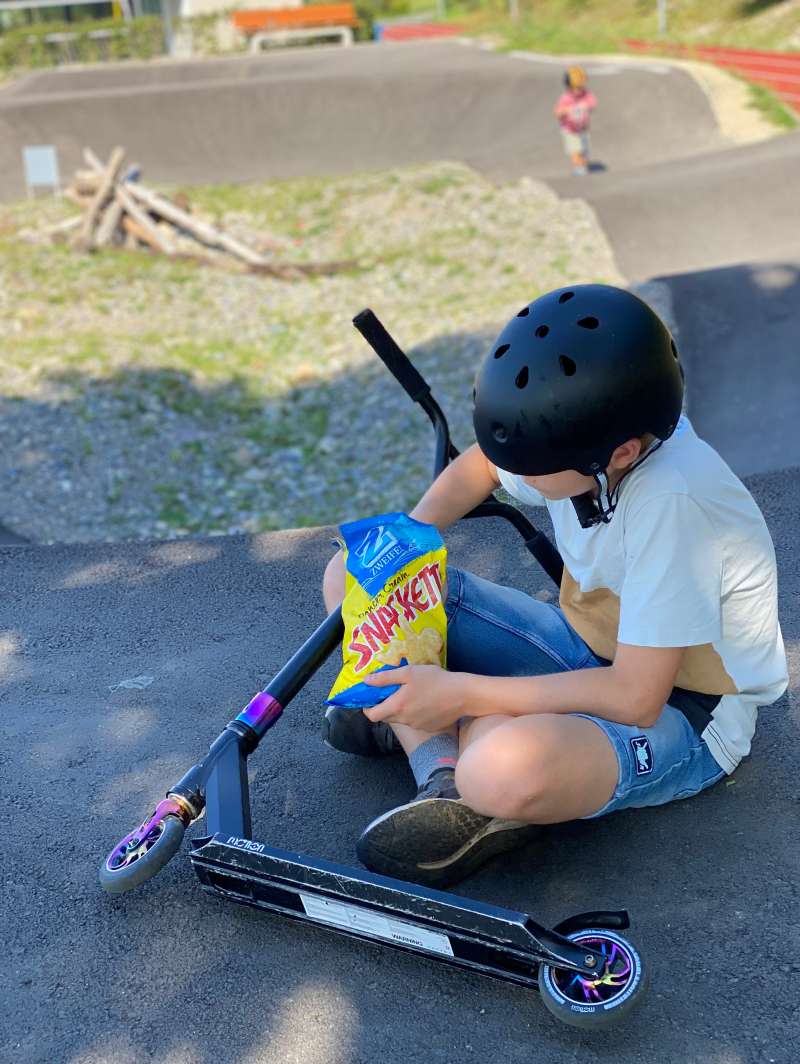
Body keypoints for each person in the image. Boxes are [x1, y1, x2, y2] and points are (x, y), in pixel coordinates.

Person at [322, 284, 788, 888]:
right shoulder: (586, 442)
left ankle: (448, 748)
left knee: (497, 765)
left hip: (685, 709)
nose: (520, 474)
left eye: (535, 470)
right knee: (355, 573)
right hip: (590, 649)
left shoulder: (676, 502)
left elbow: (636, 699)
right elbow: (485, 465)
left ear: (618, 453)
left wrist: (462, 693)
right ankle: (439, 768)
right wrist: (408, 543)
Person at [554, 65, 597, 175]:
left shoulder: (585, 95)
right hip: (570, 131)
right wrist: (567, 110)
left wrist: (586, 106)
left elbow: (593, 103)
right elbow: (557, 112)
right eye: (576, 88)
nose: (579, 90)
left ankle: (583, 166)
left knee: (585, 154)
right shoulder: (566, 98)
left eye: (580, 87)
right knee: (575, 153)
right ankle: (580, 170)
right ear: (569, 86)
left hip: (583, 130)